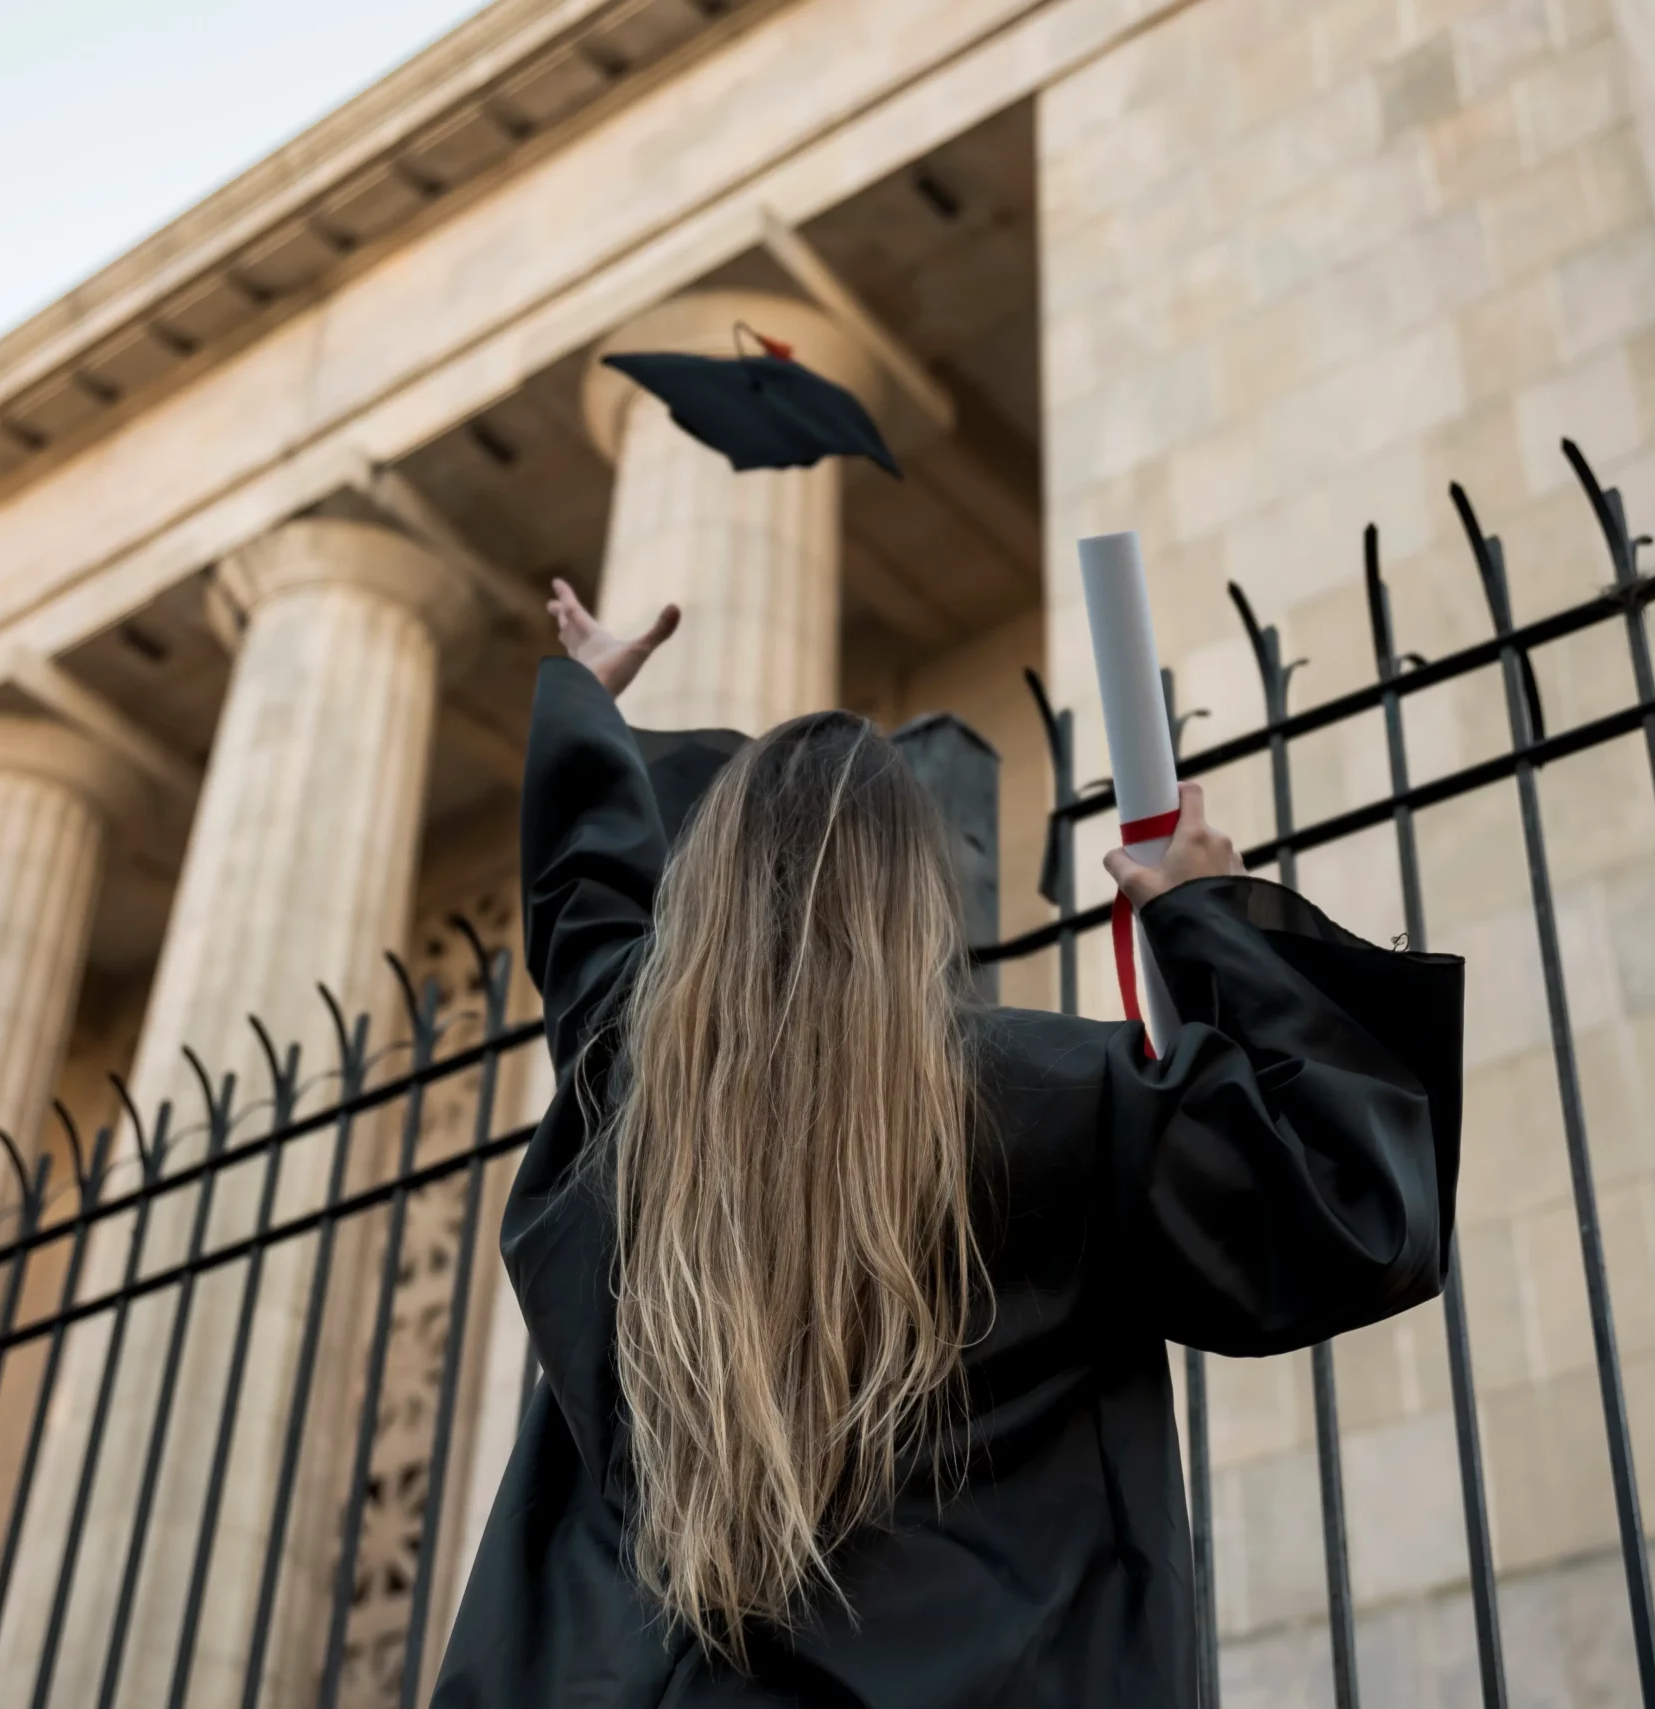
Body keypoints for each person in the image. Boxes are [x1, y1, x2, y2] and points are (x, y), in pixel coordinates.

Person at [431, 582, 1463, 1708]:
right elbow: (1352, 1202)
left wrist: (584, 698)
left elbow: (584, 899)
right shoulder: (1050, 1097)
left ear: (705, 892)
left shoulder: (631, 1092)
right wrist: (1210, 913)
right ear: (912, 898)